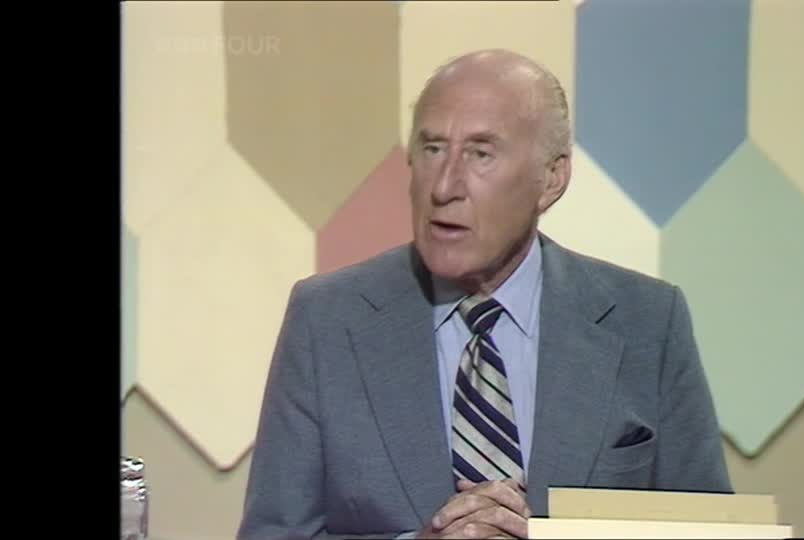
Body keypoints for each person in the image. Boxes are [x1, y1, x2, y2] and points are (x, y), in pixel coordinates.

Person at [237, 49, 731, 540]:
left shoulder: (647, 322)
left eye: (481, 153)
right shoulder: (326, 319)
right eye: (432, 149)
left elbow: (707, 531)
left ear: (551, 178)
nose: (445, 186)